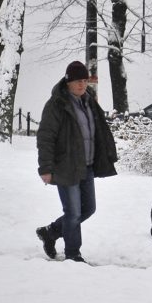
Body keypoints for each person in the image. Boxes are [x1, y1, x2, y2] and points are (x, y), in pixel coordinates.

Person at [35, 61, 118, 263]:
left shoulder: (89, 101)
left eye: (84, 81)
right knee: (73, 212)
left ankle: (51, 231)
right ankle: (73, 253)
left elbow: (99, 130)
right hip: (66, 165)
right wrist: (45, 168)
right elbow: (45, 137)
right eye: (77, 81)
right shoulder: (57, 104)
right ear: (68, 81)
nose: (82, 85)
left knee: (88, 209)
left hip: (87, 165)